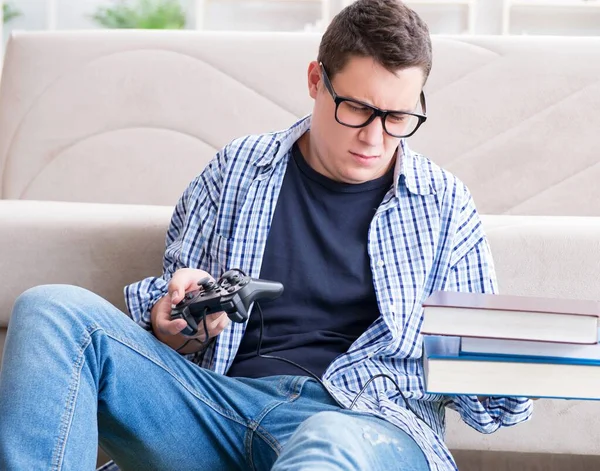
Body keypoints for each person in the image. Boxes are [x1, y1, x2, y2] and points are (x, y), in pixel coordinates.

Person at [0, 0, 533, 470]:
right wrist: (176, 324)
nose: (376, 137)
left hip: (365, 424)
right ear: (314, 81)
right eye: (357, 109)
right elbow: (180, 334)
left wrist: (519, 366)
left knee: (326, 441)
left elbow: (488, 405)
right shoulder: (235, 171)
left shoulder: (443, 206)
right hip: (221, 408)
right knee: (50, 310)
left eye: (397, 117)